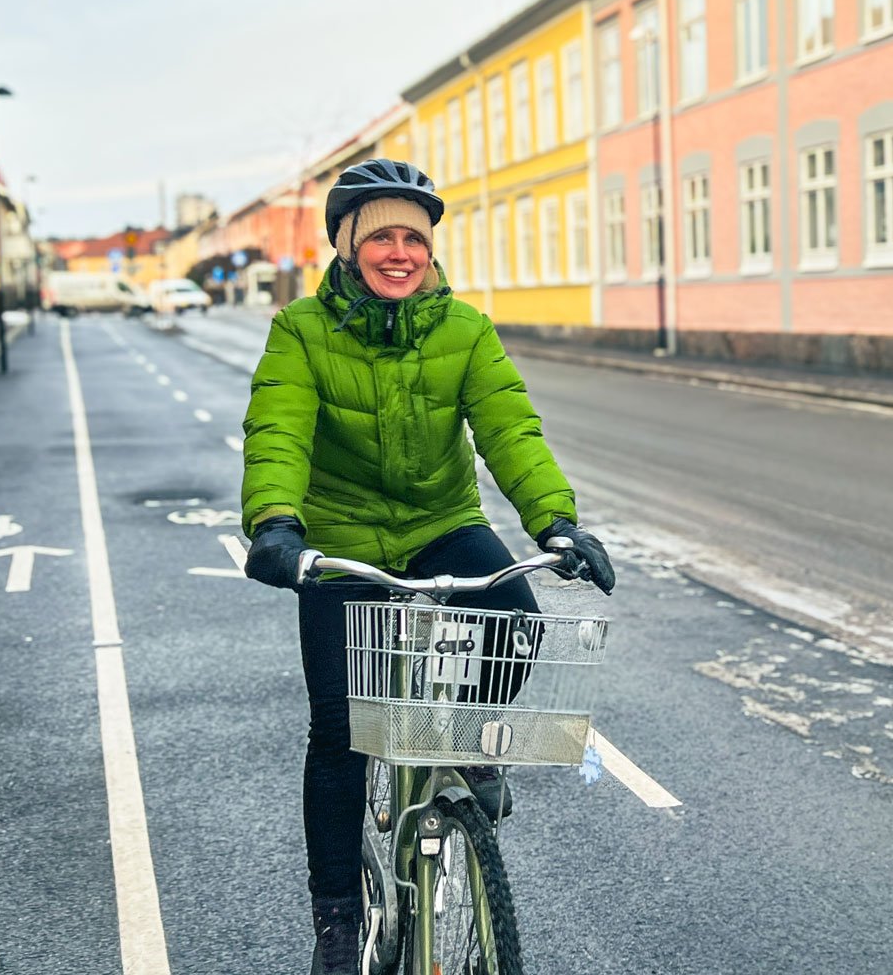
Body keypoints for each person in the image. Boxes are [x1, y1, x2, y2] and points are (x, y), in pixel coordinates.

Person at [237, 157, 615, 975]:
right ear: (347, 248)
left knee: (517, 621)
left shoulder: (465, 329)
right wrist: (275, 525)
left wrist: (555, 523)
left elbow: (510, 429)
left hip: (441, 523)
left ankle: (465, 746)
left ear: (432, 248)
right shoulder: (301, 332)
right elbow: (279, 430)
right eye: (381, 238)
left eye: (414, 236)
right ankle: (337, 915)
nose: (400, 251)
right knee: (340, 732)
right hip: (338, 543)